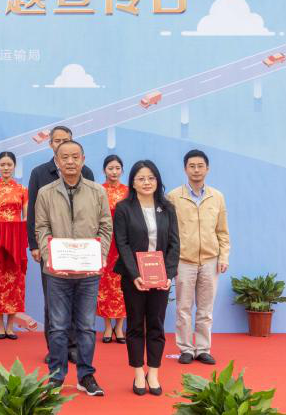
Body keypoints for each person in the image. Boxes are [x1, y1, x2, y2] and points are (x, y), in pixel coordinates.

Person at [36, 140, 112, 396]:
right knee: (58, 327)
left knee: (87, 327)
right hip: (57, 273)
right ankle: (56, 377)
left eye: (75, 157)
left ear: (83, 159)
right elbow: (41, 228)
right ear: (57, 161)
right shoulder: (45, 193)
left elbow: (105, 226)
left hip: (89, 273)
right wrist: (50, 257)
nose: (70, 161)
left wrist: (99, 255)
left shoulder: (97, 191)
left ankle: (86, 376)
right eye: (65, 157)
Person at [27, 126, 95, 360]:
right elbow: (34, 212)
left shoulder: (86, 171)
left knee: (78, 299)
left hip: (81, 249)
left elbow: (93, 213)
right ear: (50, 145)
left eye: (66, 140)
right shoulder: (39, 172)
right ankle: (55, 349)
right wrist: (35, 245)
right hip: (51, 248)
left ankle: (74, 347)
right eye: (57, 141)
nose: (61, 144)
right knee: (53, 300)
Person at [113, 160, 180, 397]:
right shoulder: (124, 208)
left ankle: (154, 372)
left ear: (157, 181)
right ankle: (138, 372)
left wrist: (169, 274)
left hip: (161, 278)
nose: (147, 182)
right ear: (132, 182)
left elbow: (174, 243)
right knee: (134, 325)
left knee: (156, 324)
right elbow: (122, 243)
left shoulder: (168, 208)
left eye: (151, 178)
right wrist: (135, 275)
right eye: (141, 178)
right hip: (134, 278)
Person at [168, 149, 230, 366]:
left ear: (207, 168)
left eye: (200, 166)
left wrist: (224, 257)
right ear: (185, 169)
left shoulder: (217, 197)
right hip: (184, 260)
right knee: (183, 308)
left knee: (205, 309)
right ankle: (186, 348)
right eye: (192, 166)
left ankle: (203, 349)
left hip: (211, 261)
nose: (196, 170)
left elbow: (222, 231)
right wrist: (171, 260)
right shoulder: (174, 197)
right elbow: (169, 232)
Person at [0, 152, 29, 340]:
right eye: (2, 164)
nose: (6, 168)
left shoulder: (22, 189)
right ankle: (0, 326)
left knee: (15, 282)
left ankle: (10, 326)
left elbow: (26, 218)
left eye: (9, 164)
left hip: (16, 242)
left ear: (14, 166)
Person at [98, 155, 128, 344]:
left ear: (122, 170)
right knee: (105, 285)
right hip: (105, 242)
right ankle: (108, 326)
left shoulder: (129, 191)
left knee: (123, 284)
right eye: (110, 168)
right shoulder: (98, 190)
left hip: (124, 243)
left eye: (117, 168)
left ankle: (119, 326)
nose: (114, 172)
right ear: (104, 170)